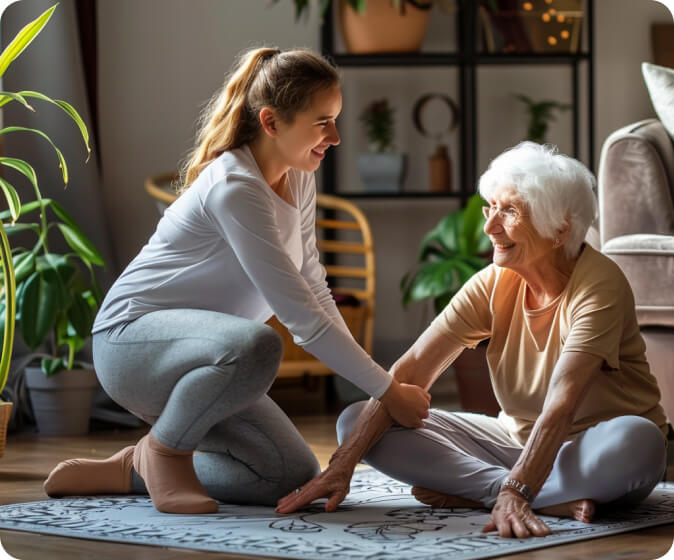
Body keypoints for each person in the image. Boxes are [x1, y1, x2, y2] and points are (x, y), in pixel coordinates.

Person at [43, 47, 430, 514]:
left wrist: (382, 387)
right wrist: (387, 391)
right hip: (129, 346)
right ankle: (165, 452)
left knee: (284, 476)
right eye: (322, 121)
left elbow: (315, 289)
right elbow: (300, 317)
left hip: (208, 364)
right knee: (259, 344)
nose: (336, 136)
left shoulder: (298, 176)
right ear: (271, 122)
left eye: (335, 119)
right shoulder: (235, 188)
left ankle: (133, 470)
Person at [276, 142, 668, 539]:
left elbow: (561, 403)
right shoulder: (494, 282)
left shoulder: (599, 286)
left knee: (640, 443)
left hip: (590, 448)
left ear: (560, 229)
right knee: (356, 422)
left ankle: (509, 489)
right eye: (490, 208)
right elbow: (409, 373)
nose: (489, 227)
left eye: (509, 212)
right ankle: (532, 493)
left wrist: (519, 490)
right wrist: (342, 464)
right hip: (513, 440)